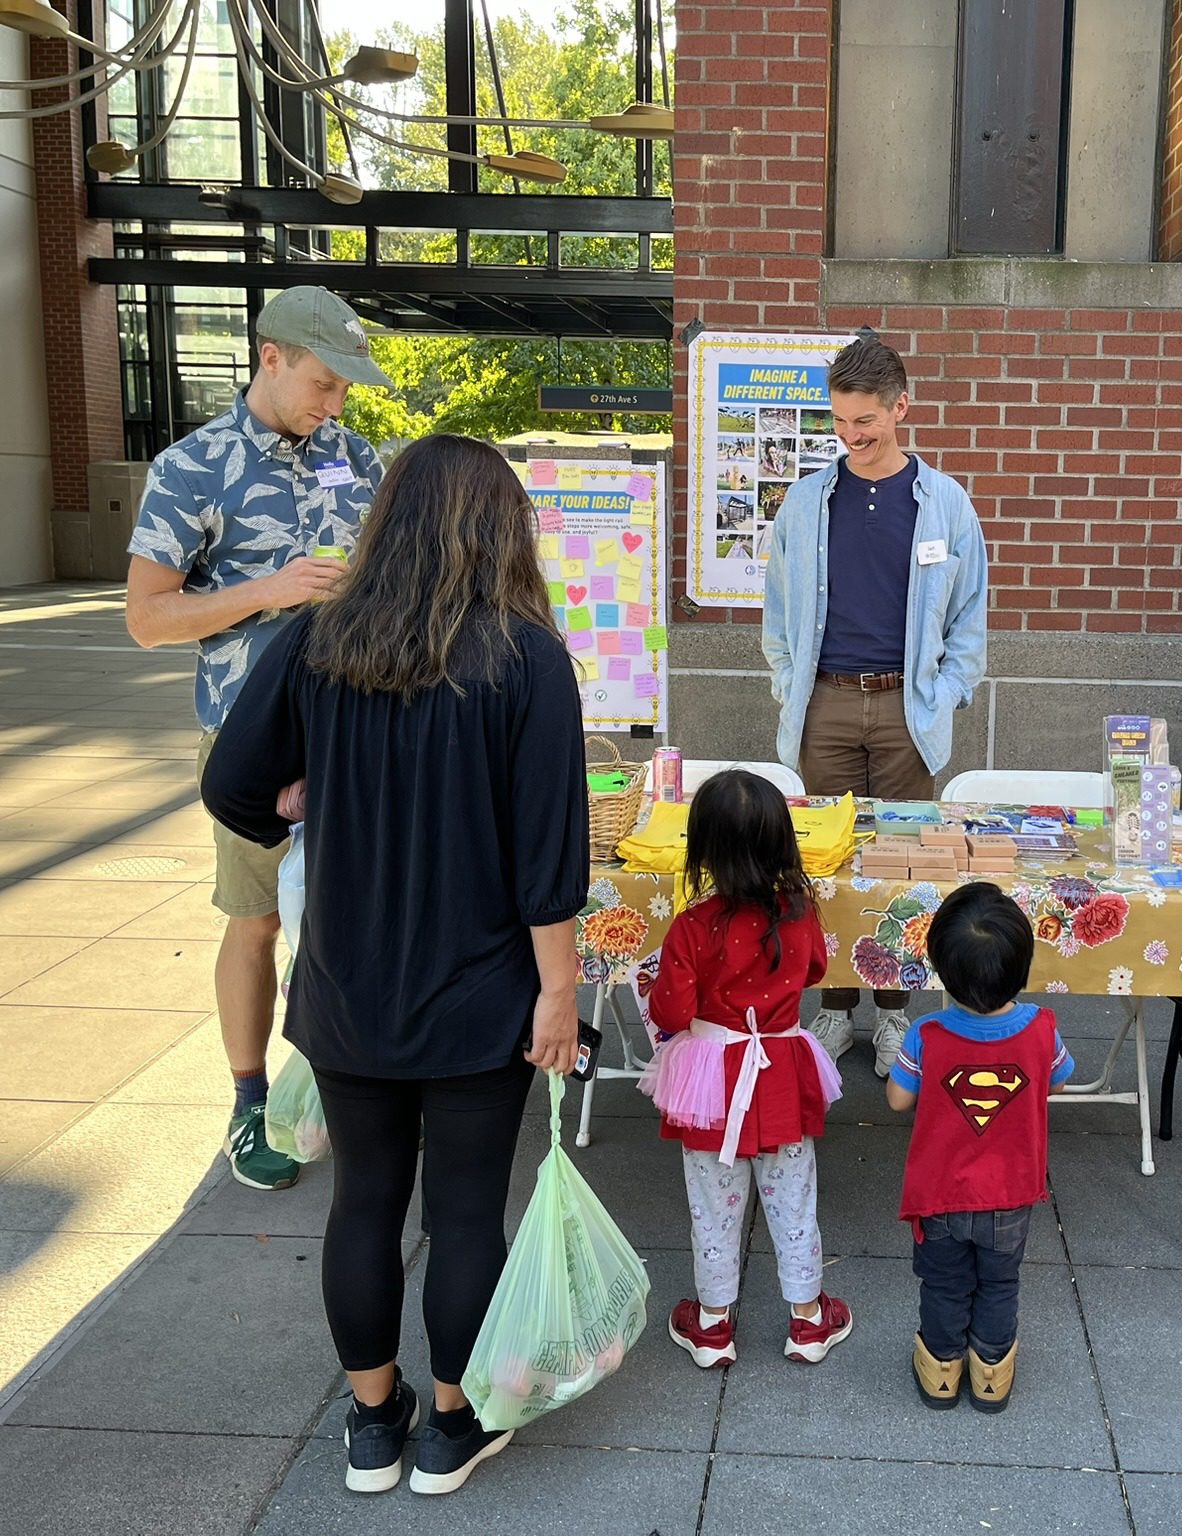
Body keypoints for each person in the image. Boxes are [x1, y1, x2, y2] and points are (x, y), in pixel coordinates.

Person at [199, 434, 589, 1497]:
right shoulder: (527, 656)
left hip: (345, 987)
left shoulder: (318, 639)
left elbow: (232, 784)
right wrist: (560, 994)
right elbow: (549, 856)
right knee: (465, 1212)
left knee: (364, 1202)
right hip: (480, 993)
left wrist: (296, 798)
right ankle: (450, 1429)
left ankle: (374, 1424)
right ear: (500, 530)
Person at [125, 286, 390, 1192]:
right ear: (270, 357)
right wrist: (263, 591)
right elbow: (147, 618)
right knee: (257, 917)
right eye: (324, 383)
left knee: (358, 911)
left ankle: (350, 1085)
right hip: (250, 738)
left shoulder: (356, 457)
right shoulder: (191, 468)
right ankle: (249, 1103)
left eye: (346, 389)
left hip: (356, 733)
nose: (336, 405)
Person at [762, 336, 989, 1076]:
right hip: (823, 707)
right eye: (841, 423)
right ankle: (832, 1010)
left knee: (896, 872)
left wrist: (940, 698)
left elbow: (970, 625)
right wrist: (789, 683)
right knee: (821, 871)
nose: (853, 438)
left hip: (906, 713)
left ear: (901, 407)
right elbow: (777, 616)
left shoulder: (946, 504)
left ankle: (893, 1017)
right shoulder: (804, 501)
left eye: (867, 422)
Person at [639, 770, 852, 1370]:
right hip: (779, 1070)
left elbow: (673, 1011)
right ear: (784, 841)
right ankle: (809, 1320)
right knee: (794, 1199)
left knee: (713, 1202)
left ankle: (712, 1326)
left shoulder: (692, 926)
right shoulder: (800, 914)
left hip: (710, 1079)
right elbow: (813, 973)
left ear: (703, 847)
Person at [885, 883, 1073, 1413]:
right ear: (1023, 965)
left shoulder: (928, 1033)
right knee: (999, 1283)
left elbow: (899, 1099)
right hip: (1012, 1196)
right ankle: (991, 1372)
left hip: (941, 1197)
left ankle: (942, 1368)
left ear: (942, 966)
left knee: (944, 1285)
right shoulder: (1042, 1029)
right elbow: (1059, 1081)